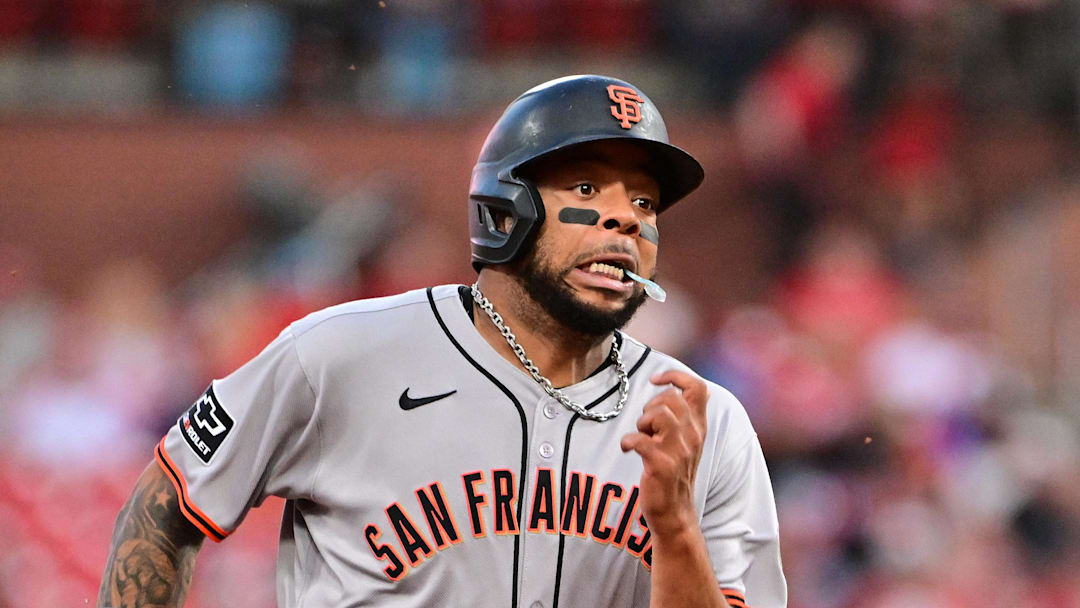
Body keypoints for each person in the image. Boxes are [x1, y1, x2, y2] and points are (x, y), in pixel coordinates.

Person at [98, 75, 786, 608]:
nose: (626, 220)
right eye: (586, 187)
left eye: (644, 202)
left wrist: (676, 528)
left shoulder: (706, 424)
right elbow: (165, 507)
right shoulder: (341, 355)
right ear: (504, 210)